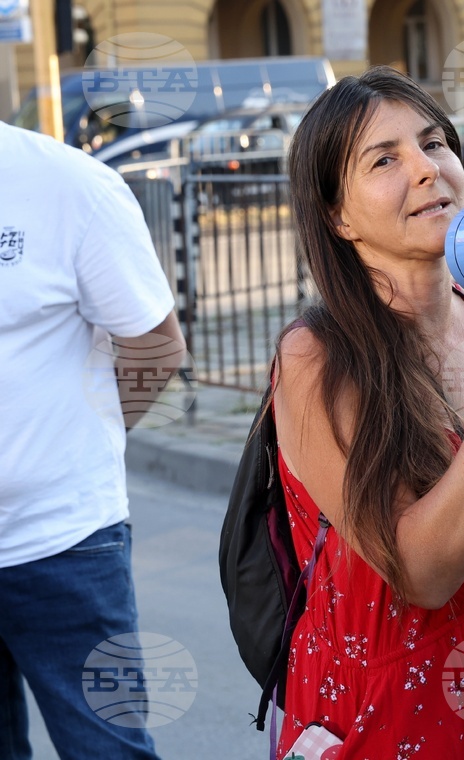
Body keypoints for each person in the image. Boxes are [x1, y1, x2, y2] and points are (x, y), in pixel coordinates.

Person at [272, 65, 464, 758]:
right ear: (337, 215)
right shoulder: (315, 359)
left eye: (434, 143)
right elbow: (422, 572)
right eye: (384, 159)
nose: (426, 169)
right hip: (391, 721)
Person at [0, 121, 185, 758]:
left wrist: (87, 438)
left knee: (105, 750)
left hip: (62, 540)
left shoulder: (69, 186)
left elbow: (155, 345)